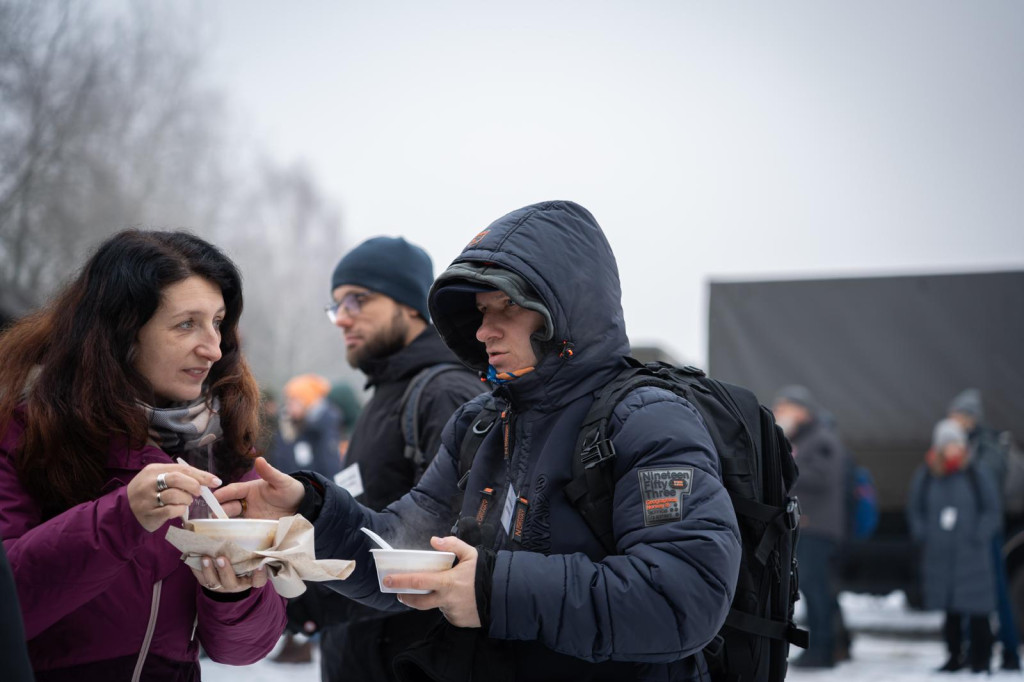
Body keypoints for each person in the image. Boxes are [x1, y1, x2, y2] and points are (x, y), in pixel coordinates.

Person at [217, 200, 743, 680]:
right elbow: (402, 544)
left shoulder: (648, 420)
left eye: (506, 309)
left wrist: (493, 591)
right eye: (481, 312)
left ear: (566, 310)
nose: (484, 330)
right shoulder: (480, 423)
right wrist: (310, 512)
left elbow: (683, 596)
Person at [0, 230, 287, 680]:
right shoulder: (23, 431)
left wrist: (234, 593)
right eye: (186, 324)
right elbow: (9, 605)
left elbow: (245, 650)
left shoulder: (222, 447)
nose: (213, 348)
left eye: (217, 321)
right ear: (122, 333)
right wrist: (121, 517)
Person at [276, 236, 485, 676]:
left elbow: (438, 548)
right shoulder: (384, 393)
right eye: (336, 305)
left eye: (358, 300)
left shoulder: (444, 393)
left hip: (414, 659)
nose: (342, 318)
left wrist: (301, 602)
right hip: (359, 655)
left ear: (410, 304)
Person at [907, 418, 1000, 674]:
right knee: (951, 610)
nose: (955, 449)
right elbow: (916, 509)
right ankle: (954, 656)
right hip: (940, 555)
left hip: (971, 553)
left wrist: (978, 535)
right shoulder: (926, 474)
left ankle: (982, 658)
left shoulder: (975, 472)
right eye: (949, 444)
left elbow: (992, 510)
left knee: (978, 610)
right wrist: (924, 535)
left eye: (958, 443)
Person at [772, 386, 847, 669]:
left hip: (818, 528)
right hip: (810, 526)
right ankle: (832, 646)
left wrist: (790, 461)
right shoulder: (805, 438)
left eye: (784, 407)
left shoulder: (820, 439)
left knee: (817, 592)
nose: (779, 413)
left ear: (801, 411)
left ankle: (822, 651)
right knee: (818, 591)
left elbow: (822, 476)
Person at [947, 388, 1020, 671]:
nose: (951, 420)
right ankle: (978, 652)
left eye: (956, 415)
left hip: (985, 534)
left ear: (969, 417)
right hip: (972, 532)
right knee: (972, 594)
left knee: (997, 594)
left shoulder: (986, 449)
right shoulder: (973, 444)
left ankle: (1009, 653)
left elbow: (984, 494)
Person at [270, 373, 343, 479]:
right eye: (288, 400)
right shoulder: (288, 426)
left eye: (294, 400)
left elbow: (329, 467)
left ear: (307, 403)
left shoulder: (320, 429)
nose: (288, 405)